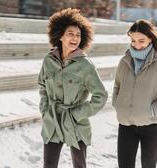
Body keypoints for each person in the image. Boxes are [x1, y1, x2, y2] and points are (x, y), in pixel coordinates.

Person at [38, 8, 108, 168]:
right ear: (60, 35)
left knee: (79, 165)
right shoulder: (48, 60)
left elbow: (101, 96)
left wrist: (78, 114)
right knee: (48, 164)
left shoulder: (85, 65)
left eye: (78, 35)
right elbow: (42, 84)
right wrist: (45, 107)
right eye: (70, 33)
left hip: (75, 122)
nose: (75, 38)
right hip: (53, 119)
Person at [112, 19, 157, 168]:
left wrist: (152, 110)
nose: (137, 45)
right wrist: (118, 104)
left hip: (152, 128)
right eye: (133, 40)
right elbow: (117, 86)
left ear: (151, 38)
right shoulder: (124, 61)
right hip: (126, 126)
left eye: (141, 40)